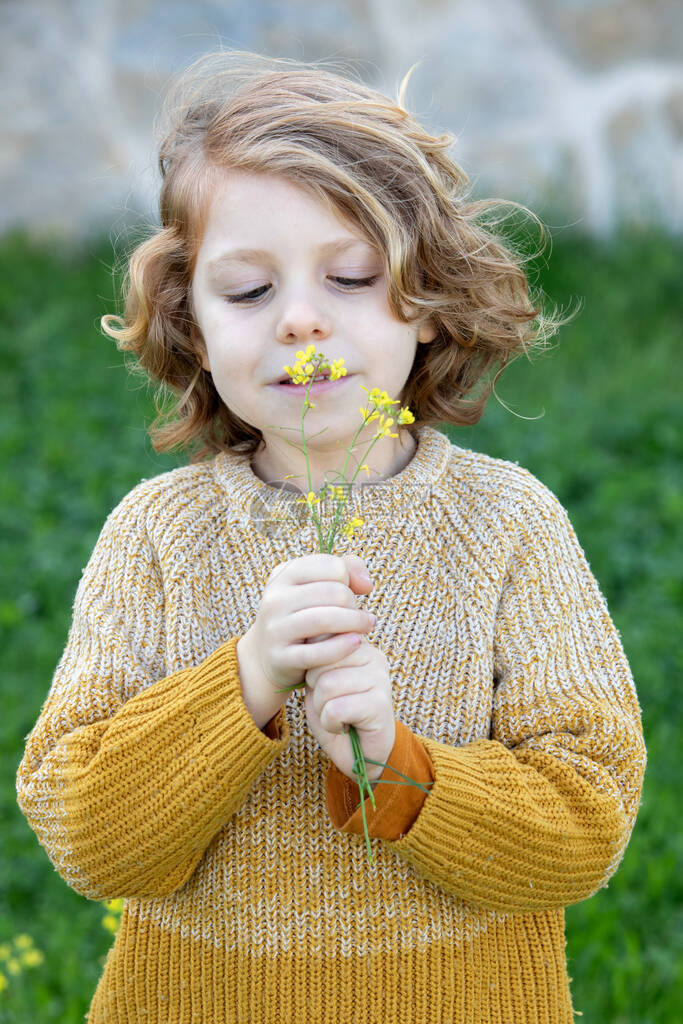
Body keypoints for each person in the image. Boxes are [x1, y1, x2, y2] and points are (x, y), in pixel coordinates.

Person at [16, 49, 646, 1024]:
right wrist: (246, 682)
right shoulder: (157, 535)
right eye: (248, 292)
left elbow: (585, 819)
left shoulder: (506, 525)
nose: (303, 321)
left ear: (426, 300)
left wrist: (400, 764)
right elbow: (87, 834)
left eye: (350, 275)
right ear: (192, 324)